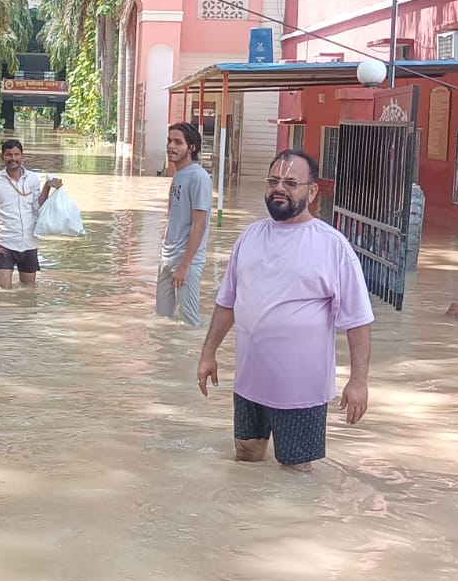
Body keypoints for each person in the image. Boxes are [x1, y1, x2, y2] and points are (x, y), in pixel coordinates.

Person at [197, 149, 373, 472]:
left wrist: (359, 380)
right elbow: (227, 303)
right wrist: (208, 352)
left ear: (312, 191)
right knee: (246, 459)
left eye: (291, 183)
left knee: (296, 478)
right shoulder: (249, 237)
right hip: (249, 385)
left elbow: (358, 321)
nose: (280, 188)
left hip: (301, 394)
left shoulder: (332, 246)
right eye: (274, 181)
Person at [0, 139, 61, 289]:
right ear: (2, 158)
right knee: (3, 292)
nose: (13, 158)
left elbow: (37, 207)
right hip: (5, 243)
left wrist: (47, 186)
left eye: (16, 154)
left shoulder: (32, 179)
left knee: (28, 292)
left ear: (22, 156)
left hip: (29, 243)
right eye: (8, 155)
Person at [156, 123, 212, 326]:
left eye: (178, 142)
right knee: (162, 320)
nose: (171, 146)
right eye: (169, 141)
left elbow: (199, 224)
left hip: (187, 263)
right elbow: (173, 217)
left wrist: (184, 266)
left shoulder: (199, 178)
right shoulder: (178, 175)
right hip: (167, 258)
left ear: (192, 147)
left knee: (189, 324)